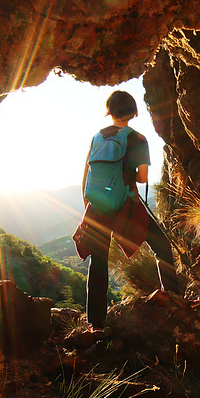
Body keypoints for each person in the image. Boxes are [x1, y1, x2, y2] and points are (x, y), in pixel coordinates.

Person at [73, 90, 181, 329]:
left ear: (109, 110)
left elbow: (86, 176)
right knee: (161, 246)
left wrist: (88, 206)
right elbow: (142, 178)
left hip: (97, 205)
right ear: (133, 112)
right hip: (126, 204)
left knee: (98, 261)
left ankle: (96, 324)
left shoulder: (97, 138)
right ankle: (175, 299)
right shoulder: (138, 138)